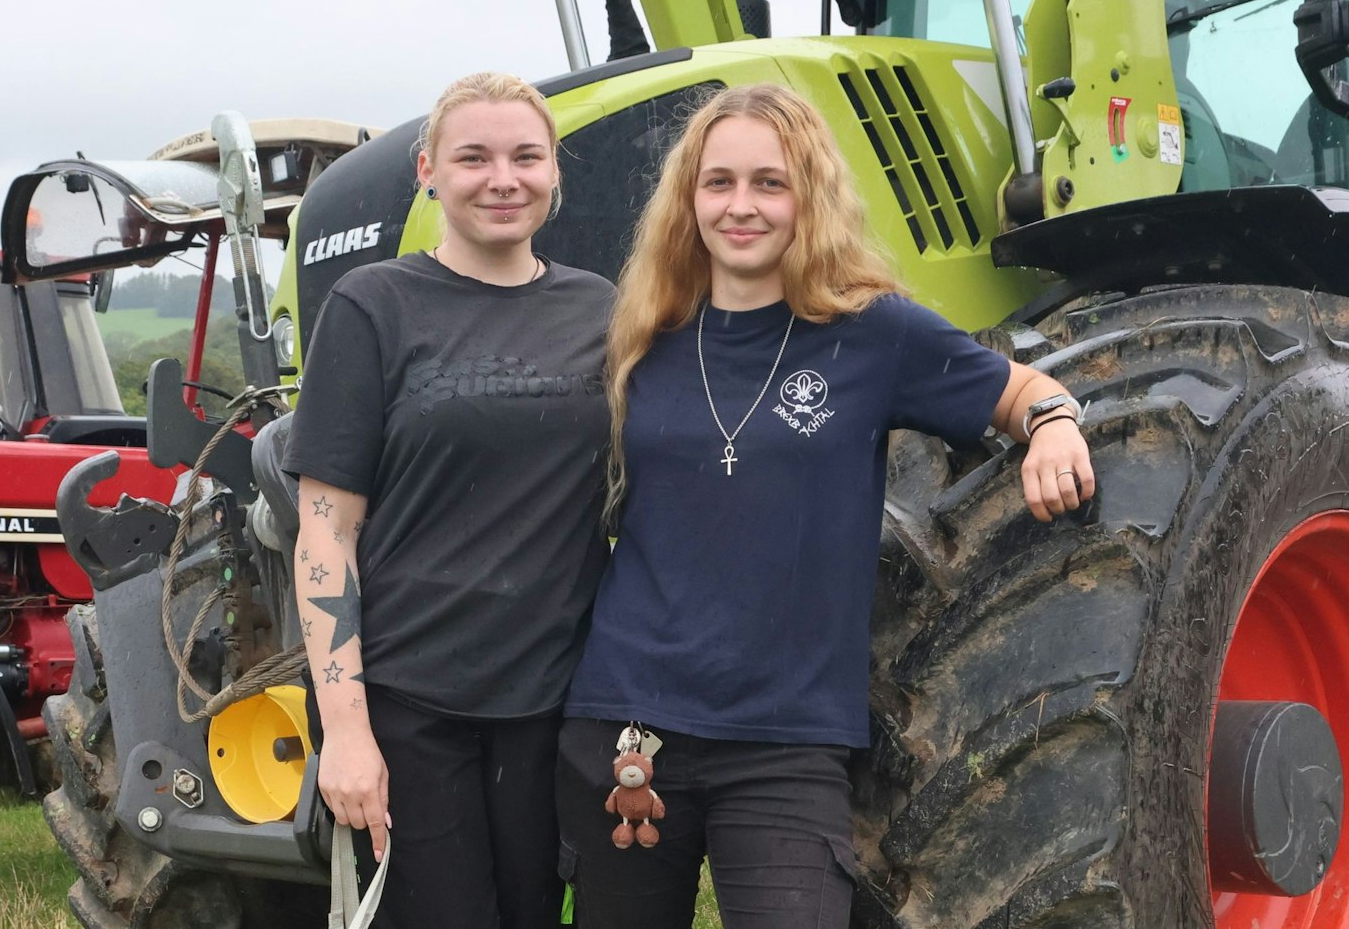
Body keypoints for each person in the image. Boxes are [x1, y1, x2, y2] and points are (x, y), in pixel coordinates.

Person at [557, 84, 1096, 927]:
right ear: (687, 198)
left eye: (769, 183)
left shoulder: (874, 333)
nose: (742, 206)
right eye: (718, 182)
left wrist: (1056, 422)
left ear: (809, 196)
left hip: (785, 738)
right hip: (632, 729)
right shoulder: (643, 336)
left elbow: (1018, 389)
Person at [282, 72, 614, 929]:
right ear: (428, 170)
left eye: (524, 157)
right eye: (473, 158)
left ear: (555, 174)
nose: (502, 178)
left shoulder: (599, 310)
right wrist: (347, 732)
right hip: (408, 705)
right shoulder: (374, 306)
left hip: (551, 704)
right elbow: (325, 537)